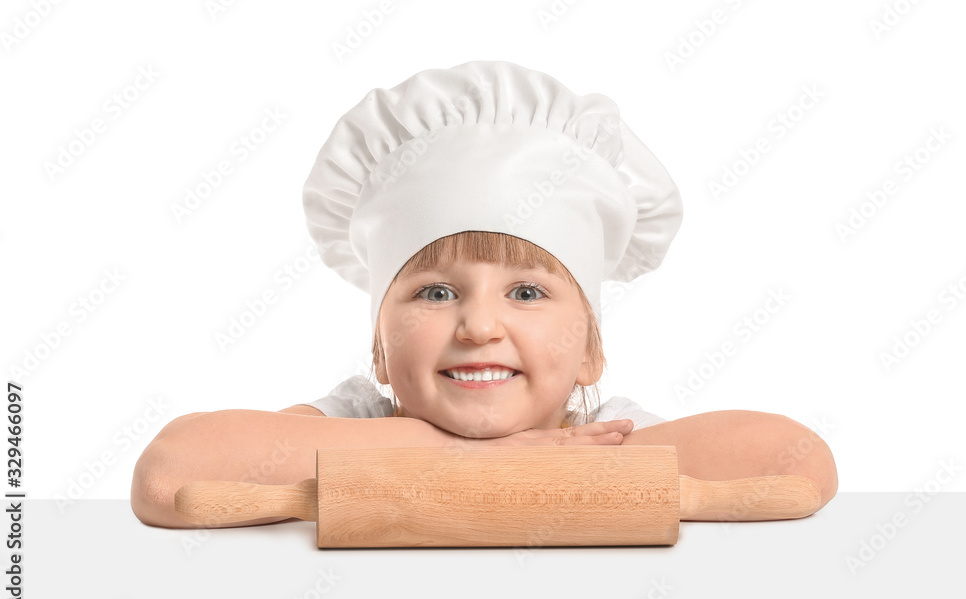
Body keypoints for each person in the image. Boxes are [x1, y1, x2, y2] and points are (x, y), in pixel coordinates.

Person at [131, 60, 837, 529]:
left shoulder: (595, 434)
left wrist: (554, 455)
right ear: (379, 350)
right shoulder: (357, 418)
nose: (477, 325)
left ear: (591, 350)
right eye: (435, 292)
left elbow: (799, 464)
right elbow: (170, 475)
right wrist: (460, 454)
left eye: (527, 291)